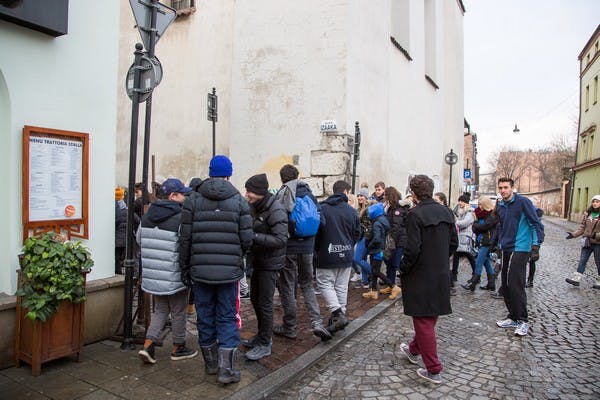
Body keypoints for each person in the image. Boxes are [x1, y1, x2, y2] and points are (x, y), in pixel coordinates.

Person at [179, 155, 253, 384]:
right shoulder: (239, 201)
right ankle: (226, 370)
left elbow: (185, 239)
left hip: (200, 271)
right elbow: (247, 240)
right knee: (227, 316)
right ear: (229, 174)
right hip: (228, 272)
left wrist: (185, 267)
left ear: (210, 173)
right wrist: (235, 257)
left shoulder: (193, 200)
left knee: (205, 315)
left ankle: (211, 364)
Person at [398, 175, 457, 384]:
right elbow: (453, 243)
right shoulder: (446, 211)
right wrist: (440, 259)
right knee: (428, 317)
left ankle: (434, 369)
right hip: (440, 271)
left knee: (423, 320)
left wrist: (403, 268)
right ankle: (414, 350)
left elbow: (412, 249)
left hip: (420, 274)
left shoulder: (415, 214)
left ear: (413, 194)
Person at [137, 179, 198, 364]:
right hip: (174, 274)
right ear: (172, 196)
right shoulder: (181, 217)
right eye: (182, 194)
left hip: (154, 275)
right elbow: (186, 245)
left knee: (160, 310)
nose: (185, 197)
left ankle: (148, 345)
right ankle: (178, 347)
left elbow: (140, 239)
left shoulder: (147, 216)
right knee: (178, 311)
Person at [273, 164, 331, 341]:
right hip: (307, 248)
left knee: (288, 286)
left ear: (282, 178)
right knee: (307, 284)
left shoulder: (282, 193)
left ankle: (289, 327)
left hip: (288, 248)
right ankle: (317, 322)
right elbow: (322, 221)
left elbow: (278, 220)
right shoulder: (310, 194)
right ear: (298, 176)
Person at [241, 174, 288, 360]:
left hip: (270, 263)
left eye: (249, 191)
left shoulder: (276, 209)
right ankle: (261, 336)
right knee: (255, 299)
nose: (247, 195)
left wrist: (253, 237)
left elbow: (280, 239)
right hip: (258, 261)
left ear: (260, 192)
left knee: (265, 303)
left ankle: (266, 343)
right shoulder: (255, 206)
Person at [494, 177, 544, 337]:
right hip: (507, 247)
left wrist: (536, 246)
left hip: (521, 247)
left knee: (516, 284)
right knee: (505, 285)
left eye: (506, 187)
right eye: (500, 188)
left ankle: (523, 320)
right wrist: (498, 244)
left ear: (512, 188)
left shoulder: (523, 202)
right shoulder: (501, 205)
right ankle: (513, 317)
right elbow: (500, 225)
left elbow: (535, 223)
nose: (503, 190)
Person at [315, 180, 360, 334]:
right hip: (346, 254)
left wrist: (317, 250)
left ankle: (337, 314)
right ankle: (339, 317)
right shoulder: (352, 211)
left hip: (326, 254)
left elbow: (316, 233)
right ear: (346, 192)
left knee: (325, 284)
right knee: (341, 286)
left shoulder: (322, 208)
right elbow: (357, 234)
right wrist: (347, 246)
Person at [361, 202, 401, 300]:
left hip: (377, 250)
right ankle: (374, 291)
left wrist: (369, 246)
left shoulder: (377, 223)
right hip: (379, 249)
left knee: (376, 271)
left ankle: (393, 286)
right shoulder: (382, 220)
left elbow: (377, 239)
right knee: (375, 270)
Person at [462, 196, 497, 291]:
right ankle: (491, 283)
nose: (479, 206)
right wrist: (477, 225)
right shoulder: (480, 214)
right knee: (486, 263)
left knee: (479, 262)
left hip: (487, 242)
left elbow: (484, 227)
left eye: (480, 204)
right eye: (478, 204)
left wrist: (476, 225)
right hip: (481, 241)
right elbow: (475, 228)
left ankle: (473, 283)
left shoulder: (492, 215)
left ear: (485, 204)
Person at [565, 195, 600, 288]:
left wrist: (595, 235)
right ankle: (576, 278)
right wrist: (573, 234)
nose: (595, 203)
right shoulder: (587, 214)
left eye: (597, 202)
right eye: (594, 201)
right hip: (587, 242)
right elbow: (582, 228)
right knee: (582, 260)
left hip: (598, 243)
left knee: (598, 261)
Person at [383, 186, 409, 288]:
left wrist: (391, 240)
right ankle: (390, 285)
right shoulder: (390, 207)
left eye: (386, 195)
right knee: (389, 263)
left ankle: (402, 285)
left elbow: (396, 227)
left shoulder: (397, 208)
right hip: (393, 240)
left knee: (395, 264)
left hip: (398, 241)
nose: (384, 197)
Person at [452, 194, 476, 286]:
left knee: (469, 255)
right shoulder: (461, 211)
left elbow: (464, 223)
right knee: (456, 255)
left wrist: (455, 222)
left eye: (461, 201)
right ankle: (454, 274)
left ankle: (475, 274)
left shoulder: (469, 212)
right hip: (460, 236)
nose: (460, 203)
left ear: (465, 202)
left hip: (466, 236)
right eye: (459, 201)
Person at [353, 188, 373, 289]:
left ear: (366, 197)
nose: (359, 197)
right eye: (358, 196)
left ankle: (374, 273)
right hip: (360, 236)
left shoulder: (369, 208)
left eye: (362, 196)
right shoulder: (359, 209)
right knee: (363, 258)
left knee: (357, 259)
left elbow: (370, 224)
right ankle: (365, 282)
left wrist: (368, 236)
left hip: (365, 236)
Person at [525, 208, 544, 288]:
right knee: (525, 262)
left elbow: (540, 235)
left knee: (532, 261)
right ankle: (527, 280)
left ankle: (530, 280)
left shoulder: (538, 224)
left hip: (533, 245)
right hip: (526, 243)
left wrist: (536, 245)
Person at [115, 187, 127, 275]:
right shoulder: (126, 209)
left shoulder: (114, 208)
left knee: (116, 257)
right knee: (120, 257)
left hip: (117, 237)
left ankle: (117, 272)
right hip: (125, 238)